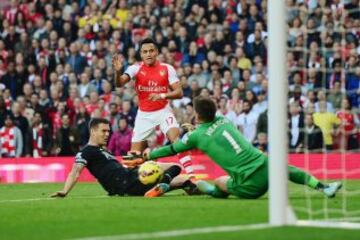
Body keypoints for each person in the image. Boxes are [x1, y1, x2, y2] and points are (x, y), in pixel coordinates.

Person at [138, 97, 342, 199]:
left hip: (250, 186)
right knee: (287, 169)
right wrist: (196, 128)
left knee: (217, 183)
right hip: (265, 165)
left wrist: (150, 154)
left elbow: (173, 148)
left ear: (197, 116)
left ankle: (200, 189)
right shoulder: (223, 119)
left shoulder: (196, 136)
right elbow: (208, 127)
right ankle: (324, 187)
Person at [50, 118, 197, 198]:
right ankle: (163, 185)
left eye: (109, 131)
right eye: (104, 131)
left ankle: (191, 188)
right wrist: (65, 190)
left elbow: (114, 168)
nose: (107, 134)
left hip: (131, 177)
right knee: (175, 167)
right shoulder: (86, 152)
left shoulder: (102, 151)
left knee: (184, 179)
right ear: (93, 131)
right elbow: (75, 171)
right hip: (126, 183)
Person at [112, 38, 194, 175]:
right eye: (145, 52)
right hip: (144, 115)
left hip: (163, 111)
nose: (148, 54)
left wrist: (162, 95)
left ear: (156, 52)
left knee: (177, 141)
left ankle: (192, 177)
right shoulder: (135, 69)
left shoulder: (167, 68)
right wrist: (118, 72)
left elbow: (179, 92)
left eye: (151, 51)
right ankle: (128, 181)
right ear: (141, 54)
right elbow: (119, 84)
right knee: (134, 157)